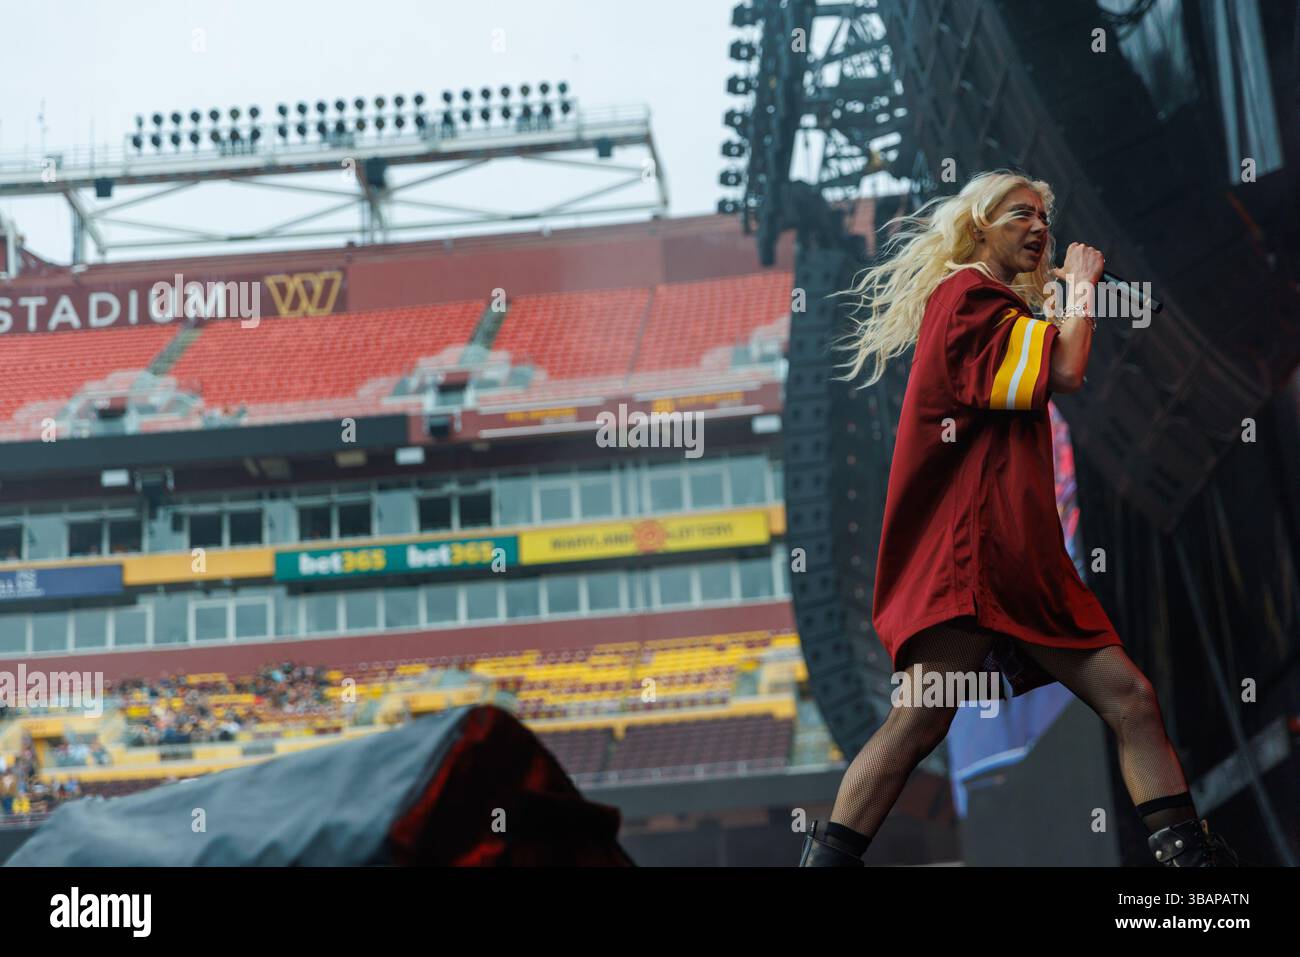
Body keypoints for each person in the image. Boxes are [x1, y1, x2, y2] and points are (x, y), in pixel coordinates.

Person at [800, 170, 1237, 868]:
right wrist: (1081, 287)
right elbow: (1066, 369)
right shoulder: (969, 297)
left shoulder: (994, 305)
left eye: (1042, 217)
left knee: (1129, 697)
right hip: (973, 562)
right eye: (1019, 215)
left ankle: (1194, 871)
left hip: (1018, 563)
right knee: (918, 722)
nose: (1037, 228)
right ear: (978, 226)